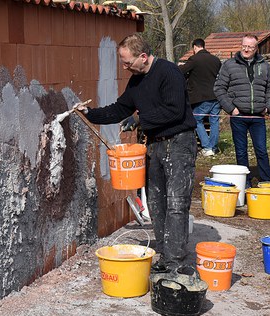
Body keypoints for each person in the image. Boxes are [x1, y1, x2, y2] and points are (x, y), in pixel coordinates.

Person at [77, 34, 197, 272]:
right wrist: (89, 113)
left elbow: (174, 111)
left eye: (127, 62)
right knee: (156, 203)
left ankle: (176, 263)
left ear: (143, 57)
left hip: (179, 143)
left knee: (175, 204)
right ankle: (165, 256)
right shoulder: (136, 80)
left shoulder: (169, 72)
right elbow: (120, 108)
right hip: (154, 144)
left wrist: (139, 120)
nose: (124, 67)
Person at [214, 34, 270, 188]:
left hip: (258, 116)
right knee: (241, 152)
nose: (246, 49)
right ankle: (245, 183)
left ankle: (266, 182)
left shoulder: (264, 65)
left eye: (250, 47)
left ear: (256, 48)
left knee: (261, 150)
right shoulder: (229, 65)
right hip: (239, 115)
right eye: (244, 46)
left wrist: (269, 107)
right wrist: (231, 109)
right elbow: (219, 88)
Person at [179, 38, 222, 157]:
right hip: (216, 96)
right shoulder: (215, 60)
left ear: (195, 47)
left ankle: (207, 147)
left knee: (196, 120)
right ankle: (213, 147)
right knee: (214, 122)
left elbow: (181, 71)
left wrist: (180, 66)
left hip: (202, 97)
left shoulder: (194, 59)